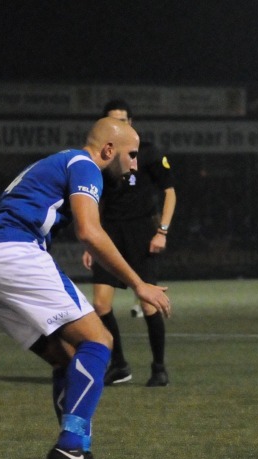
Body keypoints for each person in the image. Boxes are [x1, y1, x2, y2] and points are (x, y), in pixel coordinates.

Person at [0, 118, 171, 459]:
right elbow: (89, 231)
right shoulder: (85, 166)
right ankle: (72, 445)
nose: (136, 165)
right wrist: (139, 284)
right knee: (99, 342)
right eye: (131, 155)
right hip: (14, 253)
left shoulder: (46, 166)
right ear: (108, 151)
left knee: (66, 359)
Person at [83, 99, 177, 387]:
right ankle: (120, 365)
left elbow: (170, 192)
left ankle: (159, 367)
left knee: (148, 304)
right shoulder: (101, 158)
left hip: (141, 232)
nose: (120, 125)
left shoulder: (147, 153)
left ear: (132, 122)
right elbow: (94, 200)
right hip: (109, 233)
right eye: (114, 120)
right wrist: (91, 242)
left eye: (124, 120)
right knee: (100, 304)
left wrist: (161, 231)